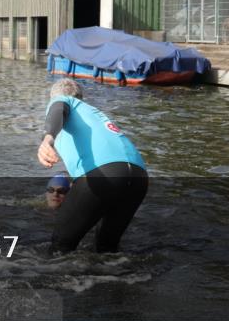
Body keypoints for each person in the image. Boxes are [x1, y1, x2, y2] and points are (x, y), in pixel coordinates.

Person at [37, 78, 148, 254]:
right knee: (107, 248)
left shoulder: (63, 100)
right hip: (138, 176)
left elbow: (58, 109)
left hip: (106, 172)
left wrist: (47, 138)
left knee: (60, 246)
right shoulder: (95, 113)